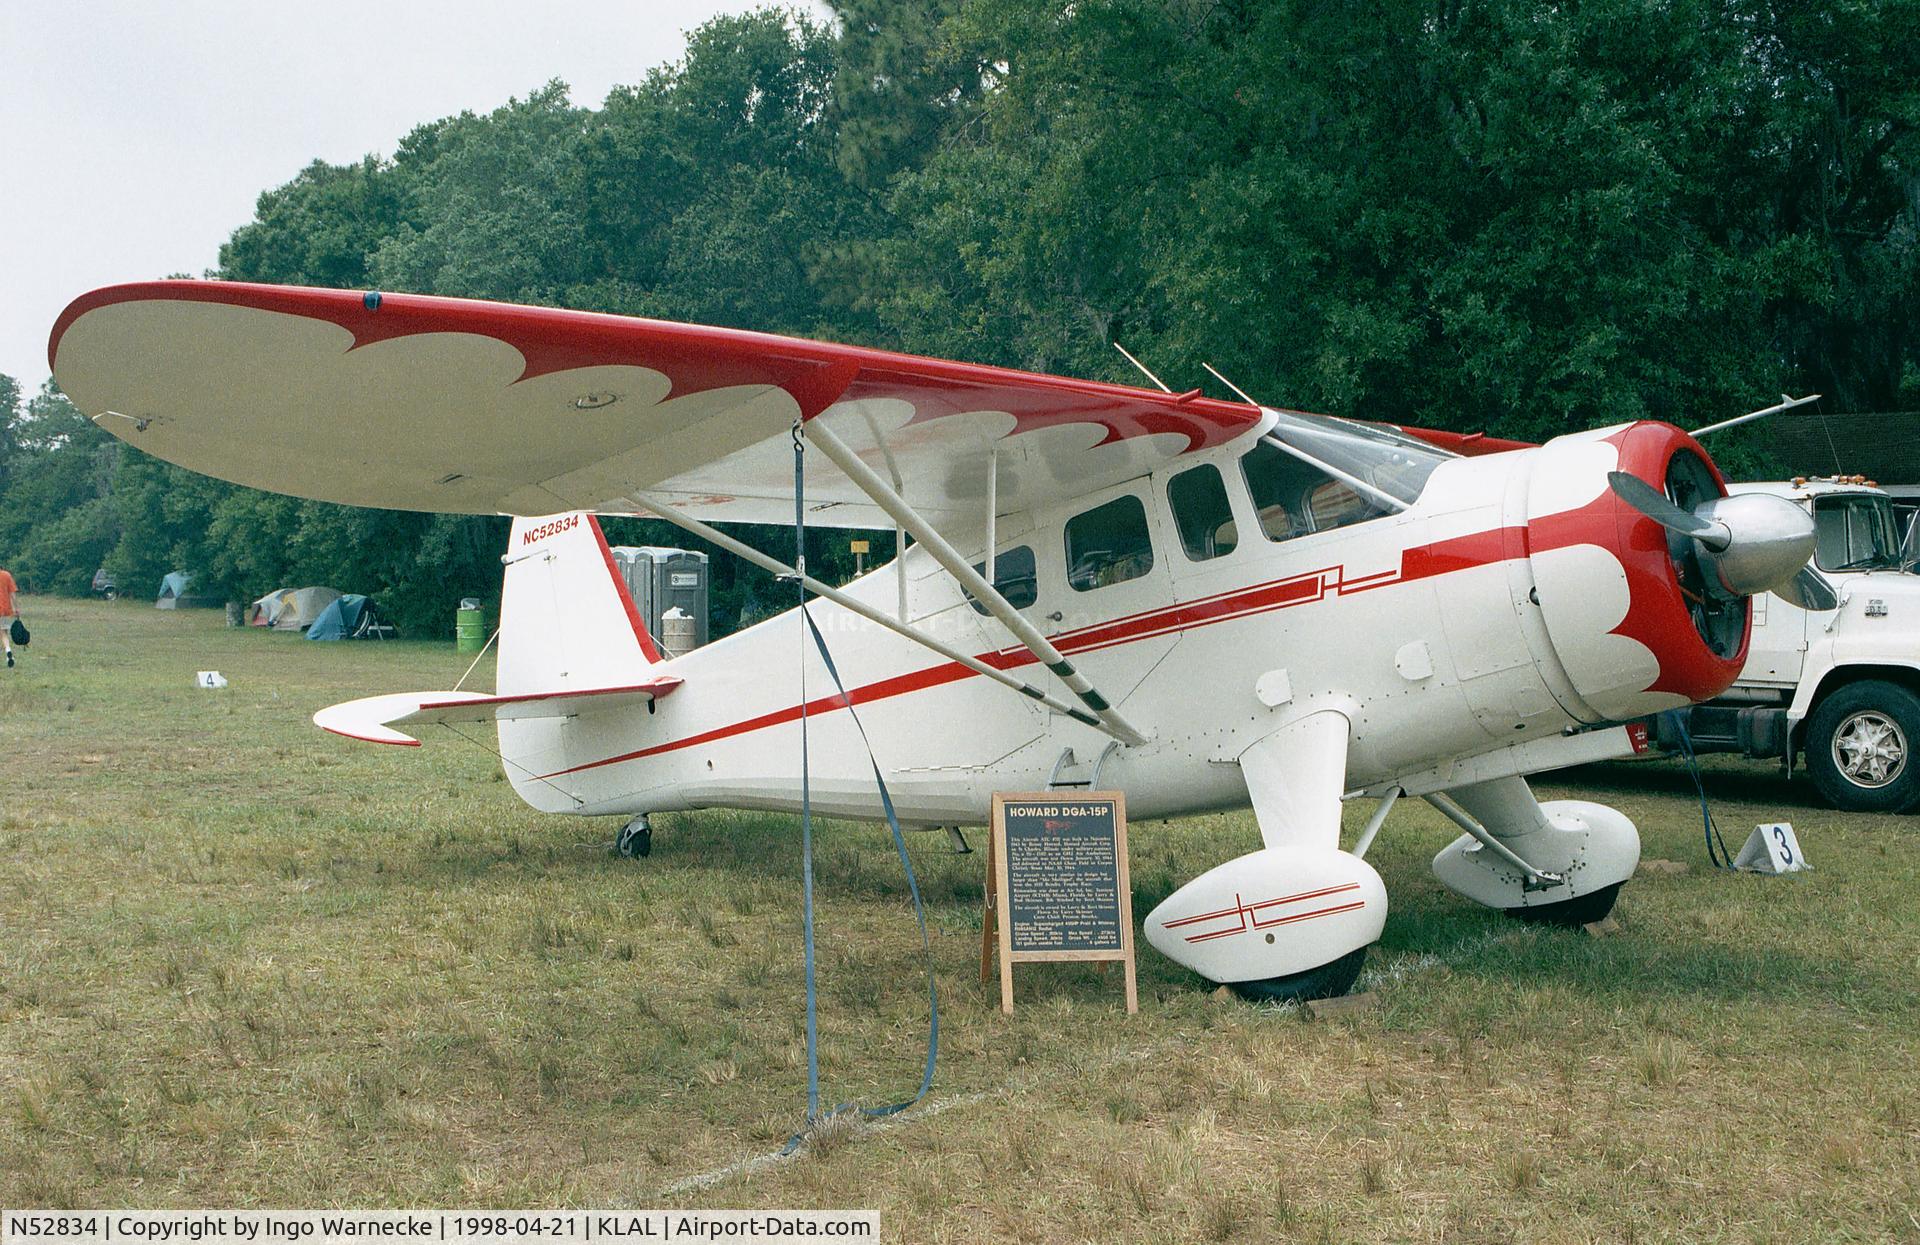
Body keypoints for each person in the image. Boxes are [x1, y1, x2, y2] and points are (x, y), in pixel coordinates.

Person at [0, 565, 17, 668]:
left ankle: (8, 652)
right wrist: (17, 608)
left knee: (2, 633)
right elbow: (12, 594)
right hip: (5, 609)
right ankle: (8, 651)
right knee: (4, 633)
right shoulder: (7, 575)